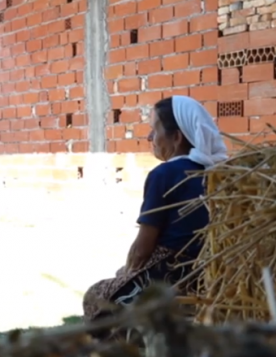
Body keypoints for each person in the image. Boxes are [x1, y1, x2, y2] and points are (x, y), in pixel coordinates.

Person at [82, 95, 228, 326]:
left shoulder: (165, 174)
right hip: (208, 275)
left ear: (177, 137)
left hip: (170, 277)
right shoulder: (218, 173)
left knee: (95, 296)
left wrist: (127, 272)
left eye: (154, 130)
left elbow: (142, 249)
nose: (150, 137)